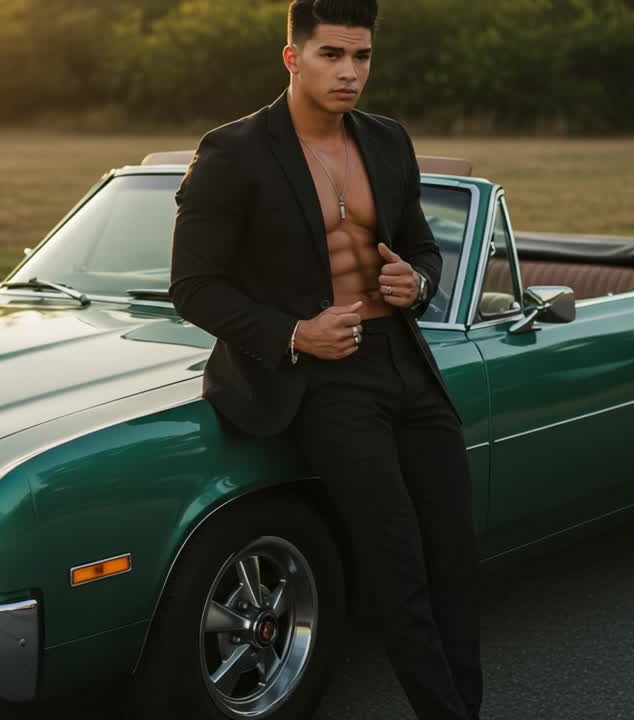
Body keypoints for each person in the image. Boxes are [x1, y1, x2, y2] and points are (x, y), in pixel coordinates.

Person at [169, 1, 482, 718]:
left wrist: (419, 281)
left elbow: (421, 246)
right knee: (397, 563)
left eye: (361, 56)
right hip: (322, 380)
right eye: (331, 55)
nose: (349, 72)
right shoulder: (234, 152)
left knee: (455, 558)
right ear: (292, 57)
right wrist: (294, 333)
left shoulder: (387, 141)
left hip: (403, 362)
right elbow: (192, 285)